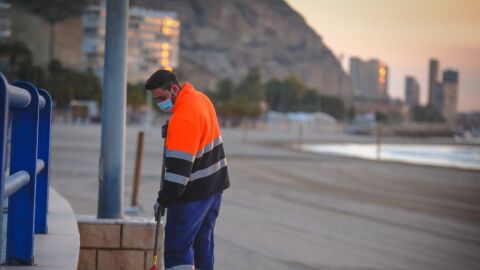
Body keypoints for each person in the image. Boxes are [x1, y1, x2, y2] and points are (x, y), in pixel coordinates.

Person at [145, 69, 230, 270]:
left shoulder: (182, 118)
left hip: (193, 195)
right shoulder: (201, 99)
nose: (160, 104)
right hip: (214, 188)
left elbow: (176, 177)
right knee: (203, 244)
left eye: (163, 98)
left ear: (174, 88)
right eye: (156, 100)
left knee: (177, 247)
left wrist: (163, 200)